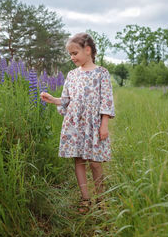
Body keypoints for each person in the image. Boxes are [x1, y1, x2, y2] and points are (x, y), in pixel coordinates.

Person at [40, 32, 115, 214]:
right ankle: (85, 198)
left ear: (87, 50)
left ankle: (101, 200)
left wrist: (104, 125)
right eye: (70, 54)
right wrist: (53, 99)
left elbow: (106, 100)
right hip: (76, 124)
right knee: (79, 160)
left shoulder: (101, 73)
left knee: (95, 163)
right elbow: (66, 100)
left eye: (75, 53)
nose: (72, 57)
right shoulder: (72, 75)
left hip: (94, 124)